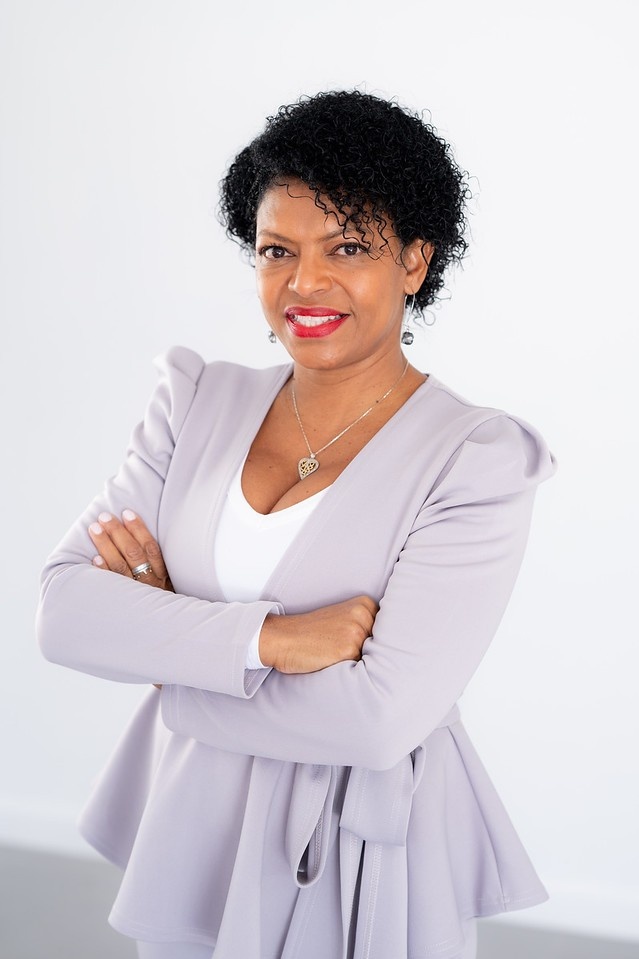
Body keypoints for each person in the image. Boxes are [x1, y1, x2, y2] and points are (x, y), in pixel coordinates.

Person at [37, 90, 556, 959]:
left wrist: (168, 657)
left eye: (346, 247)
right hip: (195, 832)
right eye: (277, 250)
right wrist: (269, 640)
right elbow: (63, 613)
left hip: (360, 858)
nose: (304, 283)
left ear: (415, 260)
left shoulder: (474, 458)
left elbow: (376, 721)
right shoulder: (196, 400)